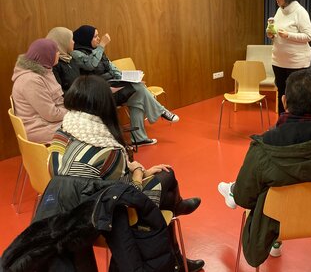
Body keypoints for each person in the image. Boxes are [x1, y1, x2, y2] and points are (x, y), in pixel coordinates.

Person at [48, 75, 204, 272]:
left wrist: (133, 168)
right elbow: (127, 194)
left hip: (66, 211)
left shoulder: (62, 131)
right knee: (168, 177)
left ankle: (177, 256)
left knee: (163, 188)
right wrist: (139, 172)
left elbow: (64, 171)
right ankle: (176, 232)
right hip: (102, 219)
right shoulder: (109, 150)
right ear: (104, 104)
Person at [218, 70, 311, 267]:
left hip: (276, 223)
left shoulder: (264, 146)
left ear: (284, 102)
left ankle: (275, 240)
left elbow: (243, 198)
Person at [71, 25, 179, 146]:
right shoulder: (76, 53)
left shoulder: (98, 51)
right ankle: (161, 111)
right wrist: (102, 46)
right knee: (138, 90)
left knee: (138, 96)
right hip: (98, 92)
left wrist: (130, 79)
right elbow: (90, 64)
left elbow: (112, 69)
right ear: (86, 38)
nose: (99, 38)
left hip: (112, 85)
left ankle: (139, 139)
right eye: (95, 36)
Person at [267, 0, 311, 114]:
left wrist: (288, 35)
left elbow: (308, 36)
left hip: (296, 63)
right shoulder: (279, 10)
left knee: (296, 97)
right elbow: (277, 31)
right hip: (278, 61)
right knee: (282, 94)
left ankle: (296, 123)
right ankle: (282, 122)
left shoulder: (300, 12)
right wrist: (271, 34)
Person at [11, 38, 67, 143]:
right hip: (40, 128)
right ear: (46, 55)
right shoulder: (31, 80)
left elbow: (57, 102)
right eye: (56, 51)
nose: (59, 53)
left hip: (49, 122)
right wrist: (71, 113)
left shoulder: (45, 70)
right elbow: (51, 114)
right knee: (84, 128)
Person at [47, 26, 81, 93]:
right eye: (71, 39)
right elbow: (59, 92)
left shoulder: (70, 58)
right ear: (63, 42)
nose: (74, 42)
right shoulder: (54, 64)